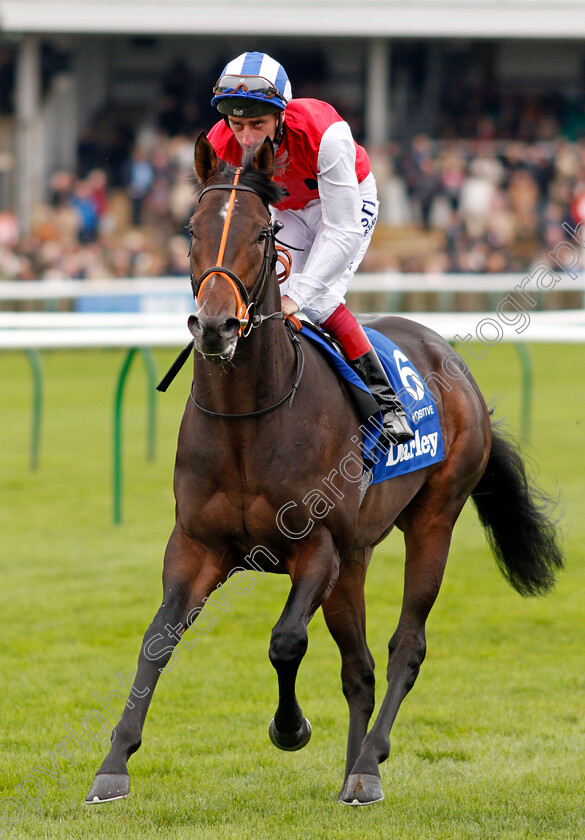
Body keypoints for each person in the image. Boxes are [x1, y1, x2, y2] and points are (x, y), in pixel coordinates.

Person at [207, 51, 413, 444]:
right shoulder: (221, 144)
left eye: (257, 124)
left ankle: (388, 405)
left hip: (343, 206)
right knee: (266, 296)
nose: (247, 139)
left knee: (314, 301)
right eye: (236, 125)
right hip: (288, 209)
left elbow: (342, 230)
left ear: (281, 113)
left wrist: (297, 296)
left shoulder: (325, 134)